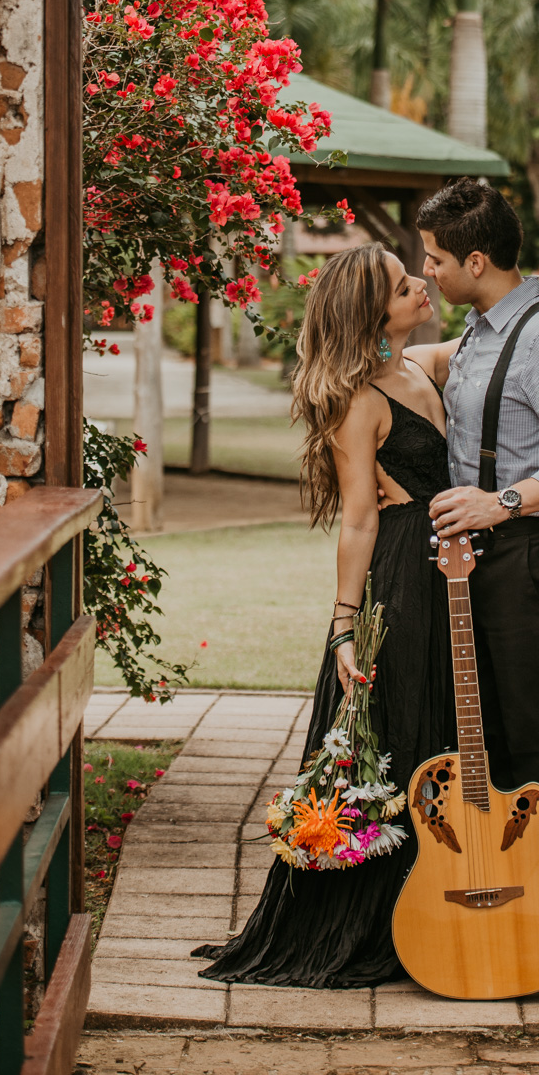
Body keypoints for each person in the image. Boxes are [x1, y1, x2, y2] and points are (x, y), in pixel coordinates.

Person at [192, 242, 457, 987]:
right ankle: (367, 920)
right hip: (400, 576)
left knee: (438, 725)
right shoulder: (360, 401)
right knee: (394, 731)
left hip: (448, 571)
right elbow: (359, 521)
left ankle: (431, 904)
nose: (421, 288)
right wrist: (344, 625)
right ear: (375, 311)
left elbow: (491, 336)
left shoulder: (421, 366)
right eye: (407, 286)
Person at [415, 178, 539, 976]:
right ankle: (510, 916)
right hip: (487, 567)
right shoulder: (478, 331)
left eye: (434, 258)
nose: (425, 270)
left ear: (476, 258)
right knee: (493, 751)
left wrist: (499, 503)